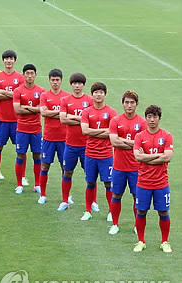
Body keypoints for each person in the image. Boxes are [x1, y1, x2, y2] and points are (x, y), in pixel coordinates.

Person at [133, 105, 173, 253]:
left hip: (161, 183)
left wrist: (146, 158)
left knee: (163, 212)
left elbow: (168, 157)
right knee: (141, 211)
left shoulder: (166, 136)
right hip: (143, 183)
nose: (152, 120)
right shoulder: (139, 136)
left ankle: (164, 241)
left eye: (154, 117)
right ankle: (141, 241)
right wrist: (158, 157)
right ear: (146, 118)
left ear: (159, 118)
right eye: (149, 117)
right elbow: (137, 156)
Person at [107, 90, 147, 234]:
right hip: (118, 166)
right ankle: (115, 224)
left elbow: (143, 145)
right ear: (123, 104)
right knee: (116, 195)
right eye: (126, 102)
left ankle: (137, 225)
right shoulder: (115, 121)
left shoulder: (142, 122)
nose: (129, 105)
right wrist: (134, 143)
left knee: (137, 196)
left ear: (137, 104)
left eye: (132, 103)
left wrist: (123, 141)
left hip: (136, 167)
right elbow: (114, 142)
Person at [58, 73, 98, 211]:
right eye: (75, 83)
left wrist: (72, 117)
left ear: (84, 85)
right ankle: (65, 200)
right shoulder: (65, 100)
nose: (77, 86)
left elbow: (92, 121)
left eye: (80, 83)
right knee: (67, 172)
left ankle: (93, 202)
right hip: (70, 144)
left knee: (90, 175)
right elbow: (63, 119)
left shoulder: (90, 100)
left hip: (87, 146)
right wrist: (82, 118)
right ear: (71, 85)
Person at [80, 82, 117, 221]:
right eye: (96, 92)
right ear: (92, 94)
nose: (98, 94)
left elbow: (112, 132)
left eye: (101, 92)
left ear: (105, 94)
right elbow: (84, 131)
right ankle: (88, 210)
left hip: (106, 154)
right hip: (90, 154)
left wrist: (93, 132)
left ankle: (111, 212)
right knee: (90, 182)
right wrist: (103, 131)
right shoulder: (86, 112)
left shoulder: (111, 112)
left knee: (108, 183)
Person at [0, 50, 24, 186]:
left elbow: (21, 97)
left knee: (21, 149)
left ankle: (22, 177)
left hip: (17, 120)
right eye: (6, 59)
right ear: (3, 61)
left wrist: (3, 92)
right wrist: (13, 94)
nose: (8, 61)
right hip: (1, 120)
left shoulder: (20, 78)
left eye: (11, 59)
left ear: (14, 60)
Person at [37, 69, 69, 203]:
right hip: (49, 137)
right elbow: (43, 113)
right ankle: (43, 194)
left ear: (61, 81)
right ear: (49, 81)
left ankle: (66, 197)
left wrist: (53, 113)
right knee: (44, 166)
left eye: (57, 80)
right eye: (53, 80)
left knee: (65, 168)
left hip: (64, 138)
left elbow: (64, 116)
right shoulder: (44, 95)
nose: (55, 82)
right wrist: (60, 114)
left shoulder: (66, 97)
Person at [13, 64, 46, 194]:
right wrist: (35, 109)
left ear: (35, 75)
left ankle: (37, 184)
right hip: (21, 129)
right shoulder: (18, 91)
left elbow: (42, 110)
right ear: (23, 75)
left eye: (32, 73)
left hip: (36, 129)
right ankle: (19, 184)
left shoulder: (41, 91)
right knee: (20, 155)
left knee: (37, 156)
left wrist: (26, 108)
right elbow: (17, 110)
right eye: (27, 73)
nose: (30, 76)